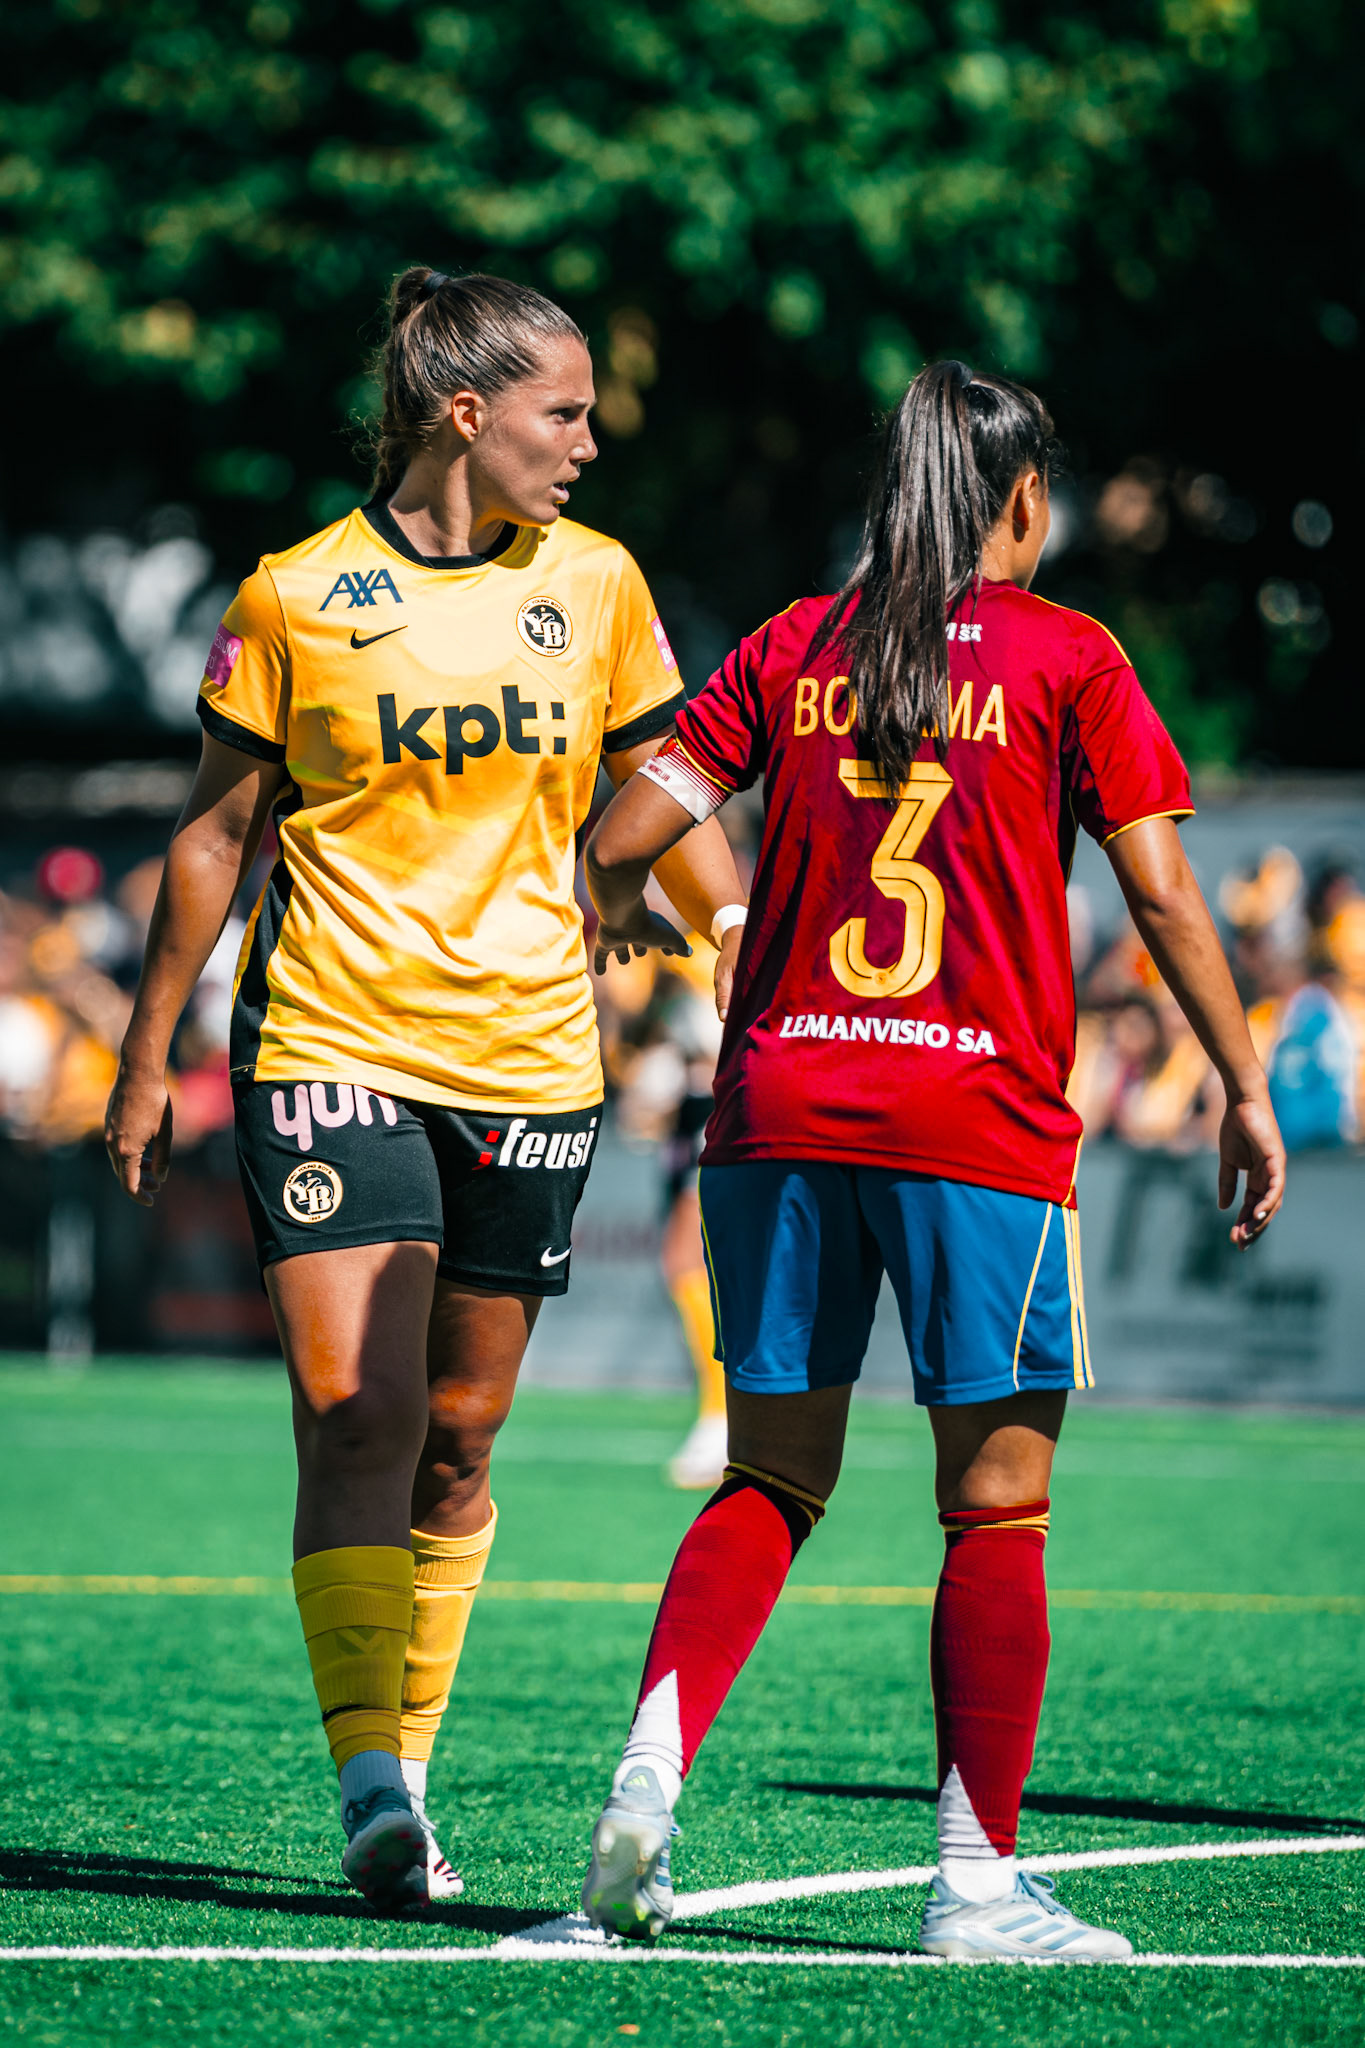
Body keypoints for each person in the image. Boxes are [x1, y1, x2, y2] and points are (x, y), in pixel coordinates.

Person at [579, 361, 1286, 1960]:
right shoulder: (1066, 658)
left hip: (776, 1113)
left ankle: (643, 1786)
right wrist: (1239, 1086)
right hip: (973, 1122)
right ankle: (973, 1888)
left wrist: (627, 909)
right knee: (995, 1511)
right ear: (1023, 500)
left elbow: (624, 831)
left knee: (768, 1476)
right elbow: (1169, 898)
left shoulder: (791, 644)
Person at [104, 267, 746, 1912]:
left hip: (533, 1056)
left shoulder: (596, 586)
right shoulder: (297, 595)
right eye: (564, 413)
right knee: (356, 1415)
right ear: (466, 415)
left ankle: (416, 1761)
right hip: (329, 1040)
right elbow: (211, 835)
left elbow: (662, 789)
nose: (590, 445)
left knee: (458, 1442)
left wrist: (735, 939)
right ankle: (373, 1791)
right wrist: (142, 1048)